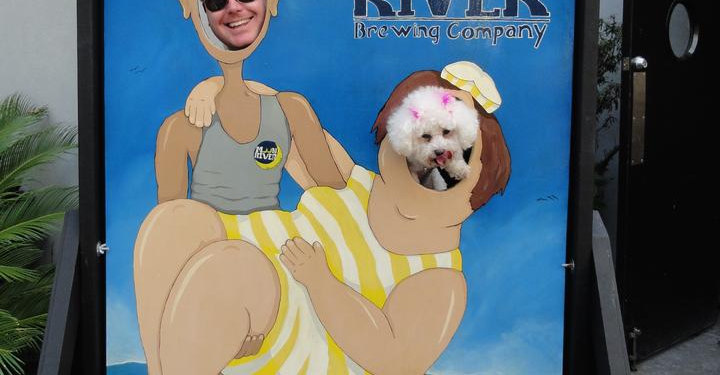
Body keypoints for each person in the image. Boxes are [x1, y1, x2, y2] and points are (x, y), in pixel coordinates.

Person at [135, 66, 511, 374]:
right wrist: (213, 87)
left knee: (233, 267)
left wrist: (321, 282)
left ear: (478, 189)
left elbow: (395, 359)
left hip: (297, 349)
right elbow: (280, 114)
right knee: (174, 222)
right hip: (231, 310)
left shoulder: (441, 279)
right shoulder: (350, 182)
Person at [134, 0, 348, 375]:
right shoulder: (180, 128)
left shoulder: (289, 109)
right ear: (195, 8)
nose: (234, 8)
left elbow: (335, 196)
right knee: (174, 224)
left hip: (273, 264)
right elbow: (165, 241)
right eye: (216, 0)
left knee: (232, 264)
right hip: (204, 261)